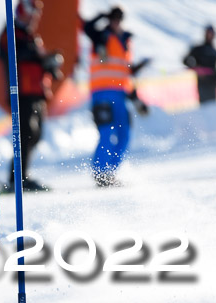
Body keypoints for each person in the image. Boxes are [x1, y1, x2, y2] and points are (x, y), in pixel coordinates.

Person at [0, 0, 63, 193]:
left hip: (36, 93)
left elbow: (36, 60)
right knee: (25, 134)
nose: (34, 19)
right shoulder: (10, 33)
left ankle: (20, 175)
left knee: (35, 134)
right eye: (31, 14)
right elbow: (14, 55)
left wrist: (49, 64)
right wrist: (41, 58)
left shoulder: (31, 36)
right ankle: (17, 178)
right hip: (21, 92)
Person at [83, 6, 149, 187]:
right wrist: (101, 16)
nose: (116, 22)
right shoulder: (101, 36)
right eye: (113, 18)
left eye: (119, 18)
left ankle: (110, 173)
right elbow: (86, 27)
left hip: (120, 95)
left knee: (124, 134)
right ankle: (100, 173)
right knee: (106, 132)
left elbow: (123, 73)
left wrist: (136, 98)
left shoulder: (125, 41)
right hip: (101, 92)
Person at [183, 25, 216, 105]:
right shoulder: (199, 49)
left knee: (213, 109)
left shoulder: (215, 52)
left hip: (213, 86)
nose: (210, 35)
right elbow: (186, 60)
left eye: (211, 33)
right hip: (202, 85)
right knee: (204, 109)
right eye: (208, 33)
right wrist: (196, 67)